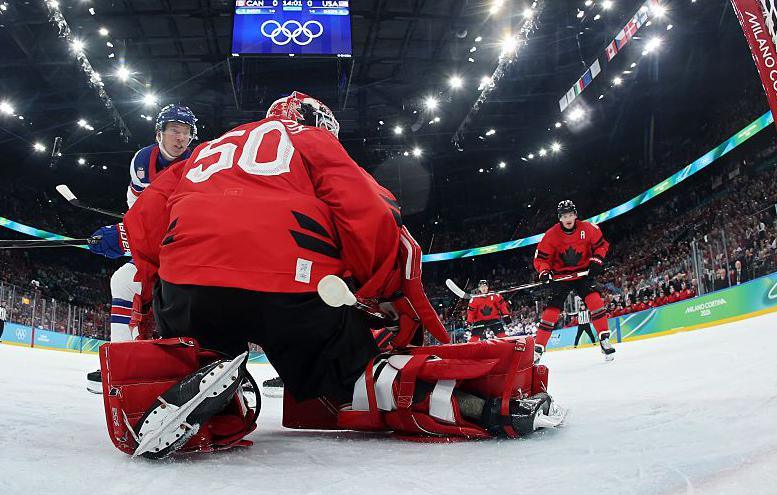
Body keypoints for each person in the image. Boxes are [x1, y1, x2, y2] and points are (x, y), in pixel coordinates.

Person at [108, 92, 562, 457]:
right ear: (314, 121)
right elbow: (370, 212)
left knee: (197, 345)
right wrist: (375, 288)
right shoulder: (311, 140)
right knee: (352, 373)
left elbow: (144, 221)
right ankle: (481, 407)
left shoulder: (209, 147)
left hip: (188, 282)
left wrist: (160, 282)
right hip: (289, 283)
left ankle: (193, 378)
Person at [85, 104, 197, 393]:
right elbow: (138, 208)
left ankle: (203, 363)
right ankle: (121, 361)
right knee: (123, 280)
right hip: (160, 245)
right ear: (159, 133)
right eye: (175, 130)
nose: (181, 138)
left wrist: (129, 236)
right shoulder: (142, 161)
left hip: (188, 250)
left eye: (186, 132)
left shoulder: (198, 163)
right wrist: (130, 232)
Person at [533, 200, 616, 362]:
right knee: (552, 310)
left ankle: (604, 339)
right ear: (559, 218)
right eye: (564, 216)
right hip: (561, 276)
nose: (568, 218)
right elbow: (541, 258)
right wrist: (544, 271)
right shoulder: (550, 235)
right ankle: (538, 349)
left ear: (575, 215)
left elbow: (602, 245)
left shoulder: (589, 228)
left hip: (583, 274)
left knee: (595, 300)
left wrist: (597, 260)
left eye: (570, 215)